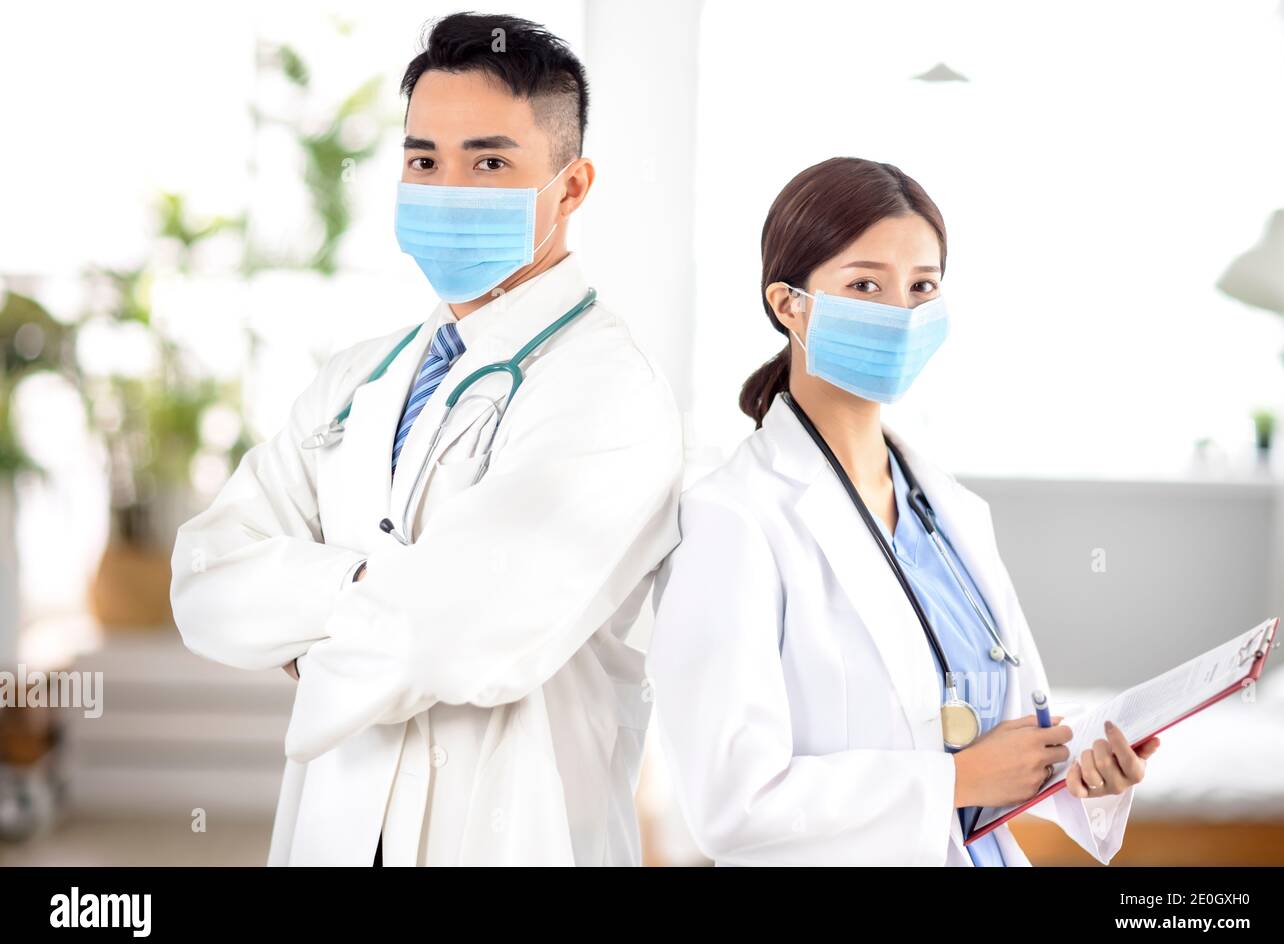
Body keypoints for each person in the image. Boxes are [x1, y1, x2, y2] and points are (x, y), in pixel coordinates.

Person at [170, 12, 683, 866]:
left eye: (489, 161)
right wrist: (379, 592)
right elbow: (204, 580)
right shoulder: (357, 380)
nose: (449, 187)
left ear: (572, 186)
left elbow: (461, 636)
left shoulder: (612, 393)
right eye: (423, 160)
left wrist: (304, 623)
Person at [645, 157, 1158, 866]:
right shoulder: (733, 518)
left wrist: (1084, 774)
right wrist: (953, 778)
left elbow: (1005, 743)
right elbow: (729, 799)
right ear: (789, 304)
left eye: (922, 286)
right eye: (865, 285)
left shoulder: (952, 515)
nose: (901, 313)